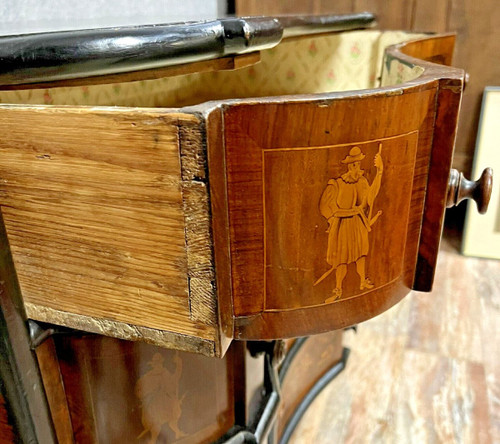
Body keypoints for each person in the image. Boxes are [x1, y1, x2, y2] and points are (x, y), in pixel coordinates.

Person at [316, 145, 383, 302]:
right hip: (342, 225)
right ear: (348, 165)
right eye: (353, 164)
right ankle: (338, 289)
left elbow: (370, 199)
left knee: (361, 255)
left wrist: (379, 172)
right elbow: (325, 205)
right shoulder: (337, 184)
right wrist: (333, 220)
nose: (356, 167)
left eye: (358, 163)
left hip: (358, 223)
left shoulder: (362, 182)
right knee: (342, 259)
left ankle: (362, 282)